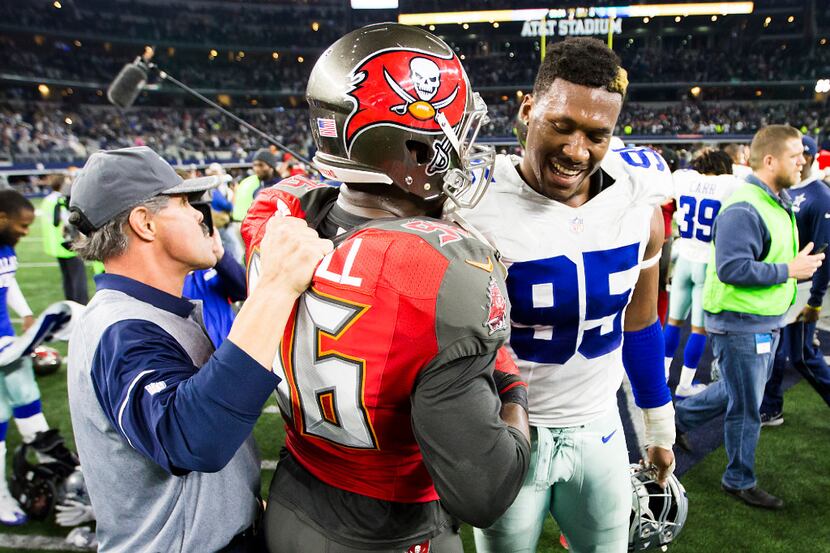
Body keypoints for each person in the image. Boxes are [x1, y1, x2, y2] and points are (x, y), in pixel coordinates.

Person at [242, 23, 530, 553]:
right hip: (392, 531)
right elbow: (486, 490)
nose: (464, 150)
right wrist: (511, 387)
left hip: (294, 500)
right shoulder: (440, 269)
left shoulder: (277, 214)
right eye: (458, 133)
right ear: (417, 151)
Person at [458, 38, 676, 553]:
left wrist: (658, 423)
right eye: (562, 125)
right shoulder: (470, 206)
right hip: (506, 432)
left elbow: (640, 323)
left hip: (599, 425)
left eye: (597, 135)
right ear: (528, 109)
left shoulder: (638, 198)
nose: (578, 150)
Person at [65, 146, 332, 552]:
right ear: (145, 224)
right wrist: (277, 285)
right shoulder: (121, 329)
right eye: (185, 202)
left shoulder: (143, 313)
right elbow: (194, 439)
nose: (198, 214)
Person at [675, 125, 824, 510]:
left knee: (738, 392)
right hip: (741, 321)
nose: (803, 160)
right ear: (770, 160)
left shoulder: (772, 198)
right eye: (795, 155)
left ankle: (676, 421)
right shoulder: (745, 205)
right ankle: (738, 478)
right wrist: (790, 270)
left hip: (760, 319)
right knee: (746, 406)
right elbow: (731, 268)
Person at [0, 190, 69, 525]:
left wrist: (26, 314)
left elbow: (6, 281)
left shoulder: (5, 244)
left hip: (5, 340)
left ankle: (50, 464)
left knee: (28, 397)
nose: (26, 231)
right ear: (2, 219)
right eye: (22, 225)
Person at [759, 135, 830, 424]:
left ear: (809, 158)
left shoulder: (820, 195)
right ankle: (771, 406)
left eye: (800, 156)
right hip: (783, 283)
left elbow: (825, 253)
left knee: (801, 355)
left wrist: (815, 300)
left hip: (803, 288)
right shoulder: (785, 190)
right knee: (776, 350)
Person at [664, 150, 742, 398]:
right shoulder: (729, 184)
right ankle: (685, 384)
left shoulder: (682, 177)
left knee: (673, 322)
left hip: (684, 258)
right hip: (708, 262)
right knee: (698, 329)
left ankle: (662, 375)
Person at [183, 224, 247, 348]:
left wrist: (219, 254)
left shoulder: (209, 267)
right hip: (204, 361)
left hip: (235, 351)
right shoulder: (168, 281)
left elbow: (243, 290)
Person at [41, 174, 89, 304]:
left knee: (67, 278)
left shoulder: (47, 200)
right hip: (68, 244)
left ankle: (71, 303)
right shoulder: (62, 200)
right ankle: (81, 306)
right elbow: (69, 222)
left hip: (54, 245)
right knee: (78, 279)